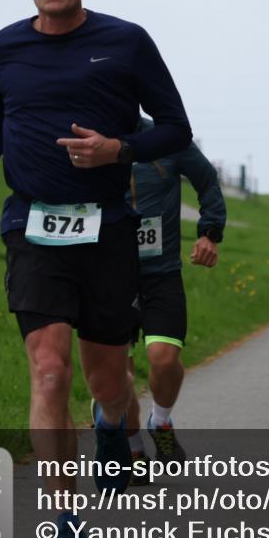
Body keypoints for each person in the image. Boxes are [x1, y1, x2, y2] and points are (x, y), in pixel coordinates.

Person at [0, 0, 192, 538]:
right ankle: (65, 524)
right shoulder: (2, 48)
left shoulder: (125, 42)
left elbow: (176, 128)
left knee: (108, 379)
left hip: (109, 228)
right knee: (49, 370)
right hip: (32, 226)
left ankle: (113, 423)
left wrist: (119, 150)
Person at [112, 118, 225, 485]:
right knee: (117, 375)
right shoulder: (88, 136)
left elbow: (207, 180)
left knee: (164, 358)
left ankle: (160, 421)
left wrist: (209, 232)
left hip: (161, 274)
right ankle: (133, 450)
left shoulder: (166, 139)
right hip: (109, 275)